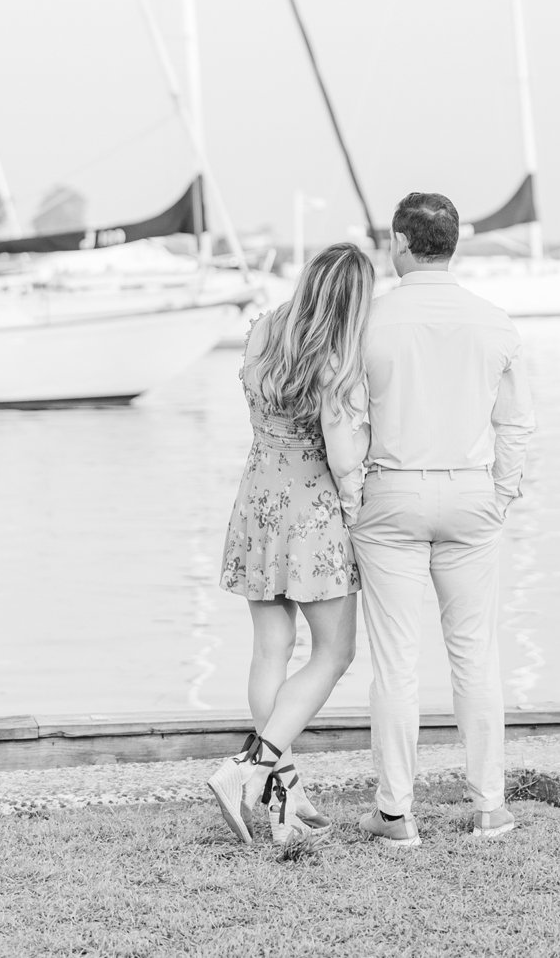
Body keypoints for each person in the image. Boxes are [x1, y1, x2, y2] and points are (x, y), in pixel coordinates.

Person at [350, 191, 535, 848]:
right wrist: (501, 493)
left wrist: (352, 499)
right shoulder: (494, 321)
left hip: (390, 493)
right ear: (452, 244)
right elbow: (516, 423)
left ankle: (396, 812)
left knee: (396, 662)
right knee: (476, 654)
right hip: (470, 493)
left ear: (400, 243)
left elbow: (348, 422)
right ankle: (491, 807)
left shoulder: (370, 322)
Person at [209, 242, 373, 845]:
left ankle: (283, 796)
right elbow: (343, 456)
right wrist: (360, 514)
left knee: (270, 650)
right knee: (335, 653)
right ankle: (249, 767)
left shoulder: (261, 331)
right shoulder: (335, 359)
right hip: (311, 515)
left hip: (257, 501)